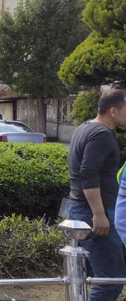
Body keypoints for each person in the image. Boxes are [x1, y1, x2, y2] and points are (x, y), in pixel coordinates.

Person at [68, 89, 126, 300]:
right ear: (113, 111)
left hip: (79, 210)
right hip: (92, 213)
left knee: (94, 278)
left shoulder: (84, 128)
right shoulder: (101, 135)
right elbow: (88, 174)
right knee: (110, 281)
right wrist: (99, 214)